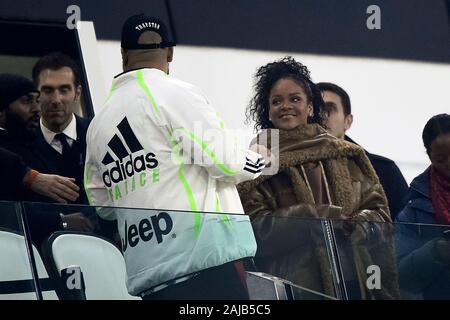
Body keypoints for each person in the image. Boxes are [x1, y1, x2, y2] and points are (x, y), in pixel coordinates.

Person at [84, 14, 266, 300]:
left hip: (149, 277)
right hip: (206, 265)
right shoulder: (177, 93)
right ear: (169, 52)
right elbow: (225, 162)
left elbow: (102, 204)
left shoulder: (97, 124)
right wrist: (261, 157)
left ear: (123, 54)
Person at [238, 56, 399, 299]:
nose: (286, 106)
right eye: (276, 101)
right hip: (296, 288)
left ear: (311, 107)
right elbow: (254, 233)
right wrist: (313, 217)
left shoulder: (345, 154)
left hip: (356, 281)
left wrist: (357, 226)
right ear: (268, 112)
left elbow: (380, 213)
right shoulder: (256, 163)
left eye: (295, 99)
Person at [316, 82, 408, 220]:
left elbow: (403, 230)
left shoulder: (383, 170)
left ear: (348, 121)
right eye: (316, 109)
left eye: (330, 108)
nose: (322, 115)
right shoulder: (291, 165)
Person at [0, 73, 80, 203]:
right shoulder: (6, 155)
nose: (37, 109)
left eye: (37, 101)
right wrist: (62, 221)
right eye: (26, 101)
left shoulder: (37, 145)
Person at [395, 113, 450, 299]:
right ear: (429, 155)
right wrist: (437, 251)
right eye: (442, 159)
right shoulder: (414, 210)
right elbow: (400, 277)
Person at [30, 52, 91, 205]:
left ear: (77, 93)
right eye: (48, 90)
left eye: (64, 90)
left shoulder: (97, 134)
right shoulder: (22, 144)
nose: (56, 100)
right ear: (36, 94)